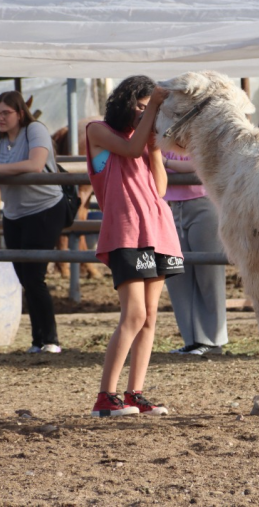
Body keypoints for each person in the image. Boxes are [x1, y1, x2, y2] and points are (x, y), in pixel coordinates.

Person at [85, 75, 183, 417]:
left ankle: (134, 393)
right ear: (126, 102)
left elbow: (159, 188)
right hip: (125, 233)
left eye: (149, 107)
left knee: (151, 317)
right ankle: (105, 397)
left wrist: (156, 145)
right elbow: (127, 149)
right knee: (134, 314)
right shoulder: (98, 131)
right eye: (141, 106)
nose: (145, 113)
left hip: (157, 230)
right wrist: (155, 107)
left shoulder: (144, 142)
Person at [0, 91, 67, 355]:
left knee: (34, 276)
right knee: (24, 276)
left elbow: (36, 164)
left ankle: (50, 339)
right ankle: (38, 340)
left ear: (20, 113)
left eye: (5, 113)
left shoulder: (35, 130)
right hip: (13, 213)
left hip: (44, 209)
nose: (0, 118)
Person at [163, 145, 228, 356]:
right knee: (176, 275)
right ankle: (191, 340)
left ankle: (212, 340)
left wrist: (164, 163)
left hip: (202, 204)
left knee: (208, 273)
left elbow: (198, 164)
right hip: (171, 206)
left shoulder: (197, 134)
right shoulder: (160, 138)